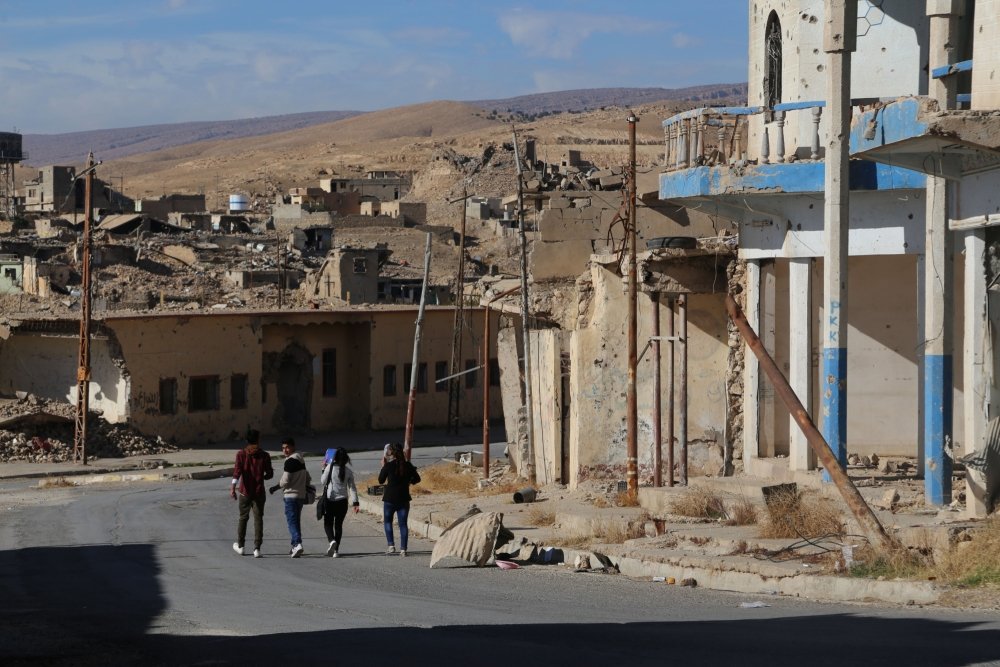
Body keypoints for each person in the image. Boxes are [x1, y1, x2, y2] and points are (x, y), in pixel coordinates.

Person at [230, 429, 273, 558]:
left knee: (243, 518)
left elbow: (237, 472)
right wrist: (263, 477)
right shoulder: (265, 455)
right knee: (258, 519)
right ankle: (257, 548)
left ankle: (241, 546)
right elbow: (270, 474)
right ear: (258, 440)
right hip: (259, 492)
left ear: (247, 440)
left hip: (245, 492)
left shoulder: (241, 454)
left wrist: (233, 488)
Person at [269, 437, 311, 558]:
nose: (285, 450)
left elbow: (285, 481)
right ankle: (294, 545)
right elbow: (307, 477)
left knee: (291, 522)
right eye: (283, 448)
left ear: (292, 447)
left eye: (287, 447)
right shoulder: (301, 459)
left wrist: (275, 487)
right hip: (301, 496)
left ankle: (297, 544)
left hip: (290, 496)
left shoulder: (290, 461)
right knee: (296, 521)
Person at [378, 442, 421, 556]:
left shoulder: (388, 465)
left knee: (388, 522)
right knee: (403, 524)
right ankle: (403, 549)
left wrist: (383, 466)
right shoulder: (408, 465)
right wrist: (408, 482)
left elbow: (381, 480)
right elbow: (417, 479)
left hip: (389, 498)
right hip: (404, 499)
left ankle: (391, 545)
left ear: (392, 453)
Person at [319, 448, 359, 557]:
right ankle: (336, 551)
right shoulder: (349, 471)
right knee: (338, 525)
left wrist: (323, 468)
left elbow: (323, 482)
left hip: (330, 500)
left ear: (334, 458)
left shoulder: (329, 468)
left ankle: (332, 541)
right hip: (342, 502)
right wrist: (355, 503)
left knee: (328, 523)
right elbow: (352, 488)